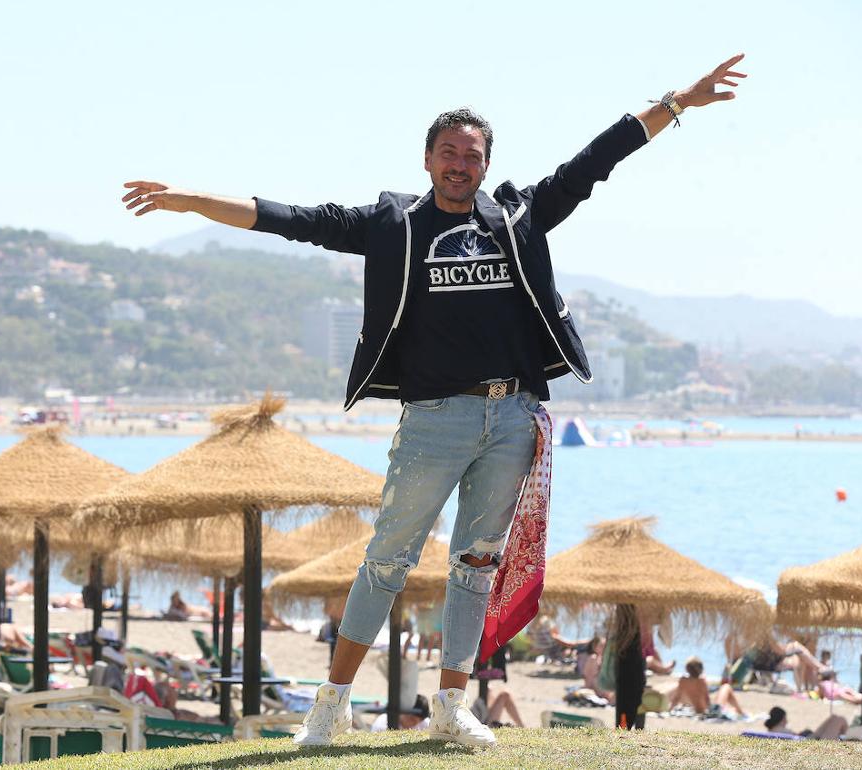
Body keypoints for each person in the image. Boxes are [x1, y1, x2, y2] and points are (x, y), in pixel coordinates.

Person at [122, 54, 748, 749]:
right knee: (388, 559)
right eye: (448, 152)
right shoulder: (392, 225)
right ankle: (329, 705)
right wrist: (190, 199)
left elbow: (596, 160)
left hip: (511, 417)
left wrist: (676, 102)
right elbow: (289, 218)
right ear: (427, 160)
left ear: (485, 165)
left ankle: (452, 705)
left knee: (476, 563)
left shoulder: (518, 214)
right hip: (433, 420)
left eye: (471, 155)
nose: (460, 164)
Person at [758, 706, 848, 740]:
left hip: (810, 738)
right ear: (782, 720)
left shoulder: (772, 731)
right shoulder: (778, 730)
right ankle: (850, 740)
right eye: (785, 719)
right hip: (812, 742)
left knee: (835, 717)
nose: (787, 721)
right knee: (838, 719)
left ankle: (848, 739)